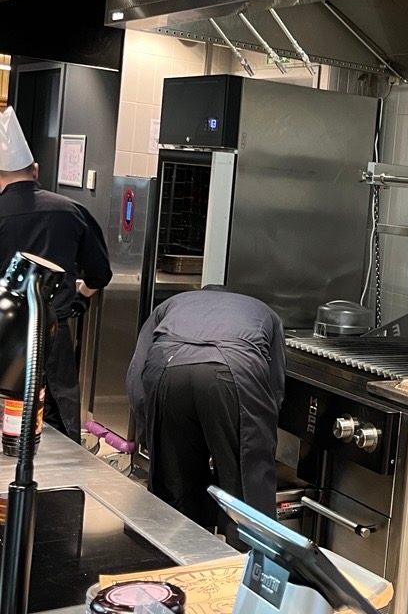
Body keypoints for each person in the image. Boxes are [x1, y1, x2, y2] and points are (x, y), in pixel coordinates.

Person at [126, 285, 286, 542]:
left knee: (174, 483)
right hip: (234, 368)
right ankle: (244, 559)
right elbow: (275, 386)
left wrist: (149, 432)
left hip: (168, 367)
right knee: (245, 489)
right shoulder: (264, 312)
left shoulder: (172, 303)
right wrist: (254, 436)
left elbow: (136, 376)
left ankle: (178, 557)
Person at [0, 106, 111, 440]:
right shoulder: (72, 211)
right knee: (55, 422)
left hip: (2, 332)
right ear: (35, 170)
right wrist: (80, 295)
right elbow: (100, 273)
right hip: (50, 335)